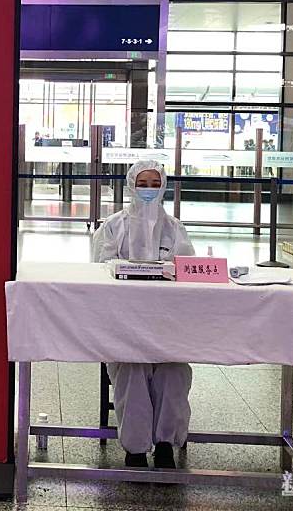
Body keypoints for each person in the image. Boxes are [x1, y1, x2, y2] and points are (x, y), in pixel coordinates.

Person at [90, 160, 195, 470]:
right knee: (132, 371)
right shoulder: (113, 226)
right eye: (142, 184)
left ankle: (164, 444)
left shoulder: (175, 228)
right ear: (131, 185)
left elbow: (188, 271)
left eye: (154, 184)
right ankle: (135, 449)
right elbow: (99, 273)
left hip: (167, 327)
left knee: (174, 371)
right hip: (123, 327)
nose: (148, 190)